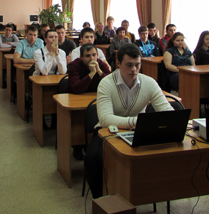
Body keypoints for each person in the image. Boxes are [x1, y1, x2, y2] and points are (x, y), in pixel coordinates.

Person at [86, 44, 173, 198]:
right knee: (93, 157)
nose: (134, 69)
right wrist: (137, 121)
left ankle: (149, 192)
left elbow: (167, 111)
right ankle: (100, 198)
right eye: (129, 65)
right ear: (118, 64)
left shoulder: (149, 82)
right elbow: (106, 119)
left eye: (137, 65)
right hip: (106, 132)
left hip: (139, 131)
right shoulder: (106, 83)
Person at [67, 43, 111, 160]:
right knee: (79, 120)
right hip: (77, 99)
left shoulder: (101, 64)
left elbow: (111, 84)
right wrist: (91, 74)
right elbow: (76, 88)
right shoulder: (74, 66)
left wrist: (99, 72)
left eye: (94, 55)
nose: (92, 59)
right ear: (81, 57)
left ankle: (94, 143)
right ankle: (77, 145)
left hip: (95, 100)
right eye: (87, 56)